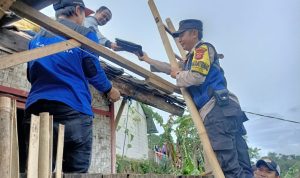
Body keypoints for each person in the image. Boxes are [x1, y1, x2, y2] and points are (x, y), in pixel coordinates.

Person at [136, 19, 253, 177]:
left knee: (228, 167)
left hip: (216, 110)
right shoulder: (191, 60)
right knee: (243, 164)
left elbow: (196, 77)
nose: (180, 40)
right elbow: (171, 68)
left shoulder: (202, 49)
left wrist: (177, 74)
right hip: (227, 109)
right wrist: (148, 59)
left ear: (194, 33)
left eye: (182, 35)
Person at [23, 0, 120, 173]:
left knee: (37, 172)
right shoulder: (85, 34)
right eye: (84, 14)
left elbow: (31, 74)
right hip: (72, 111)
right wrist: (110, 90)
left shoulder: (35, 38)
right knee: (74, 172)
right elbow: (92, 70)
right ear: (77, 10)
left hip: (35, 110)